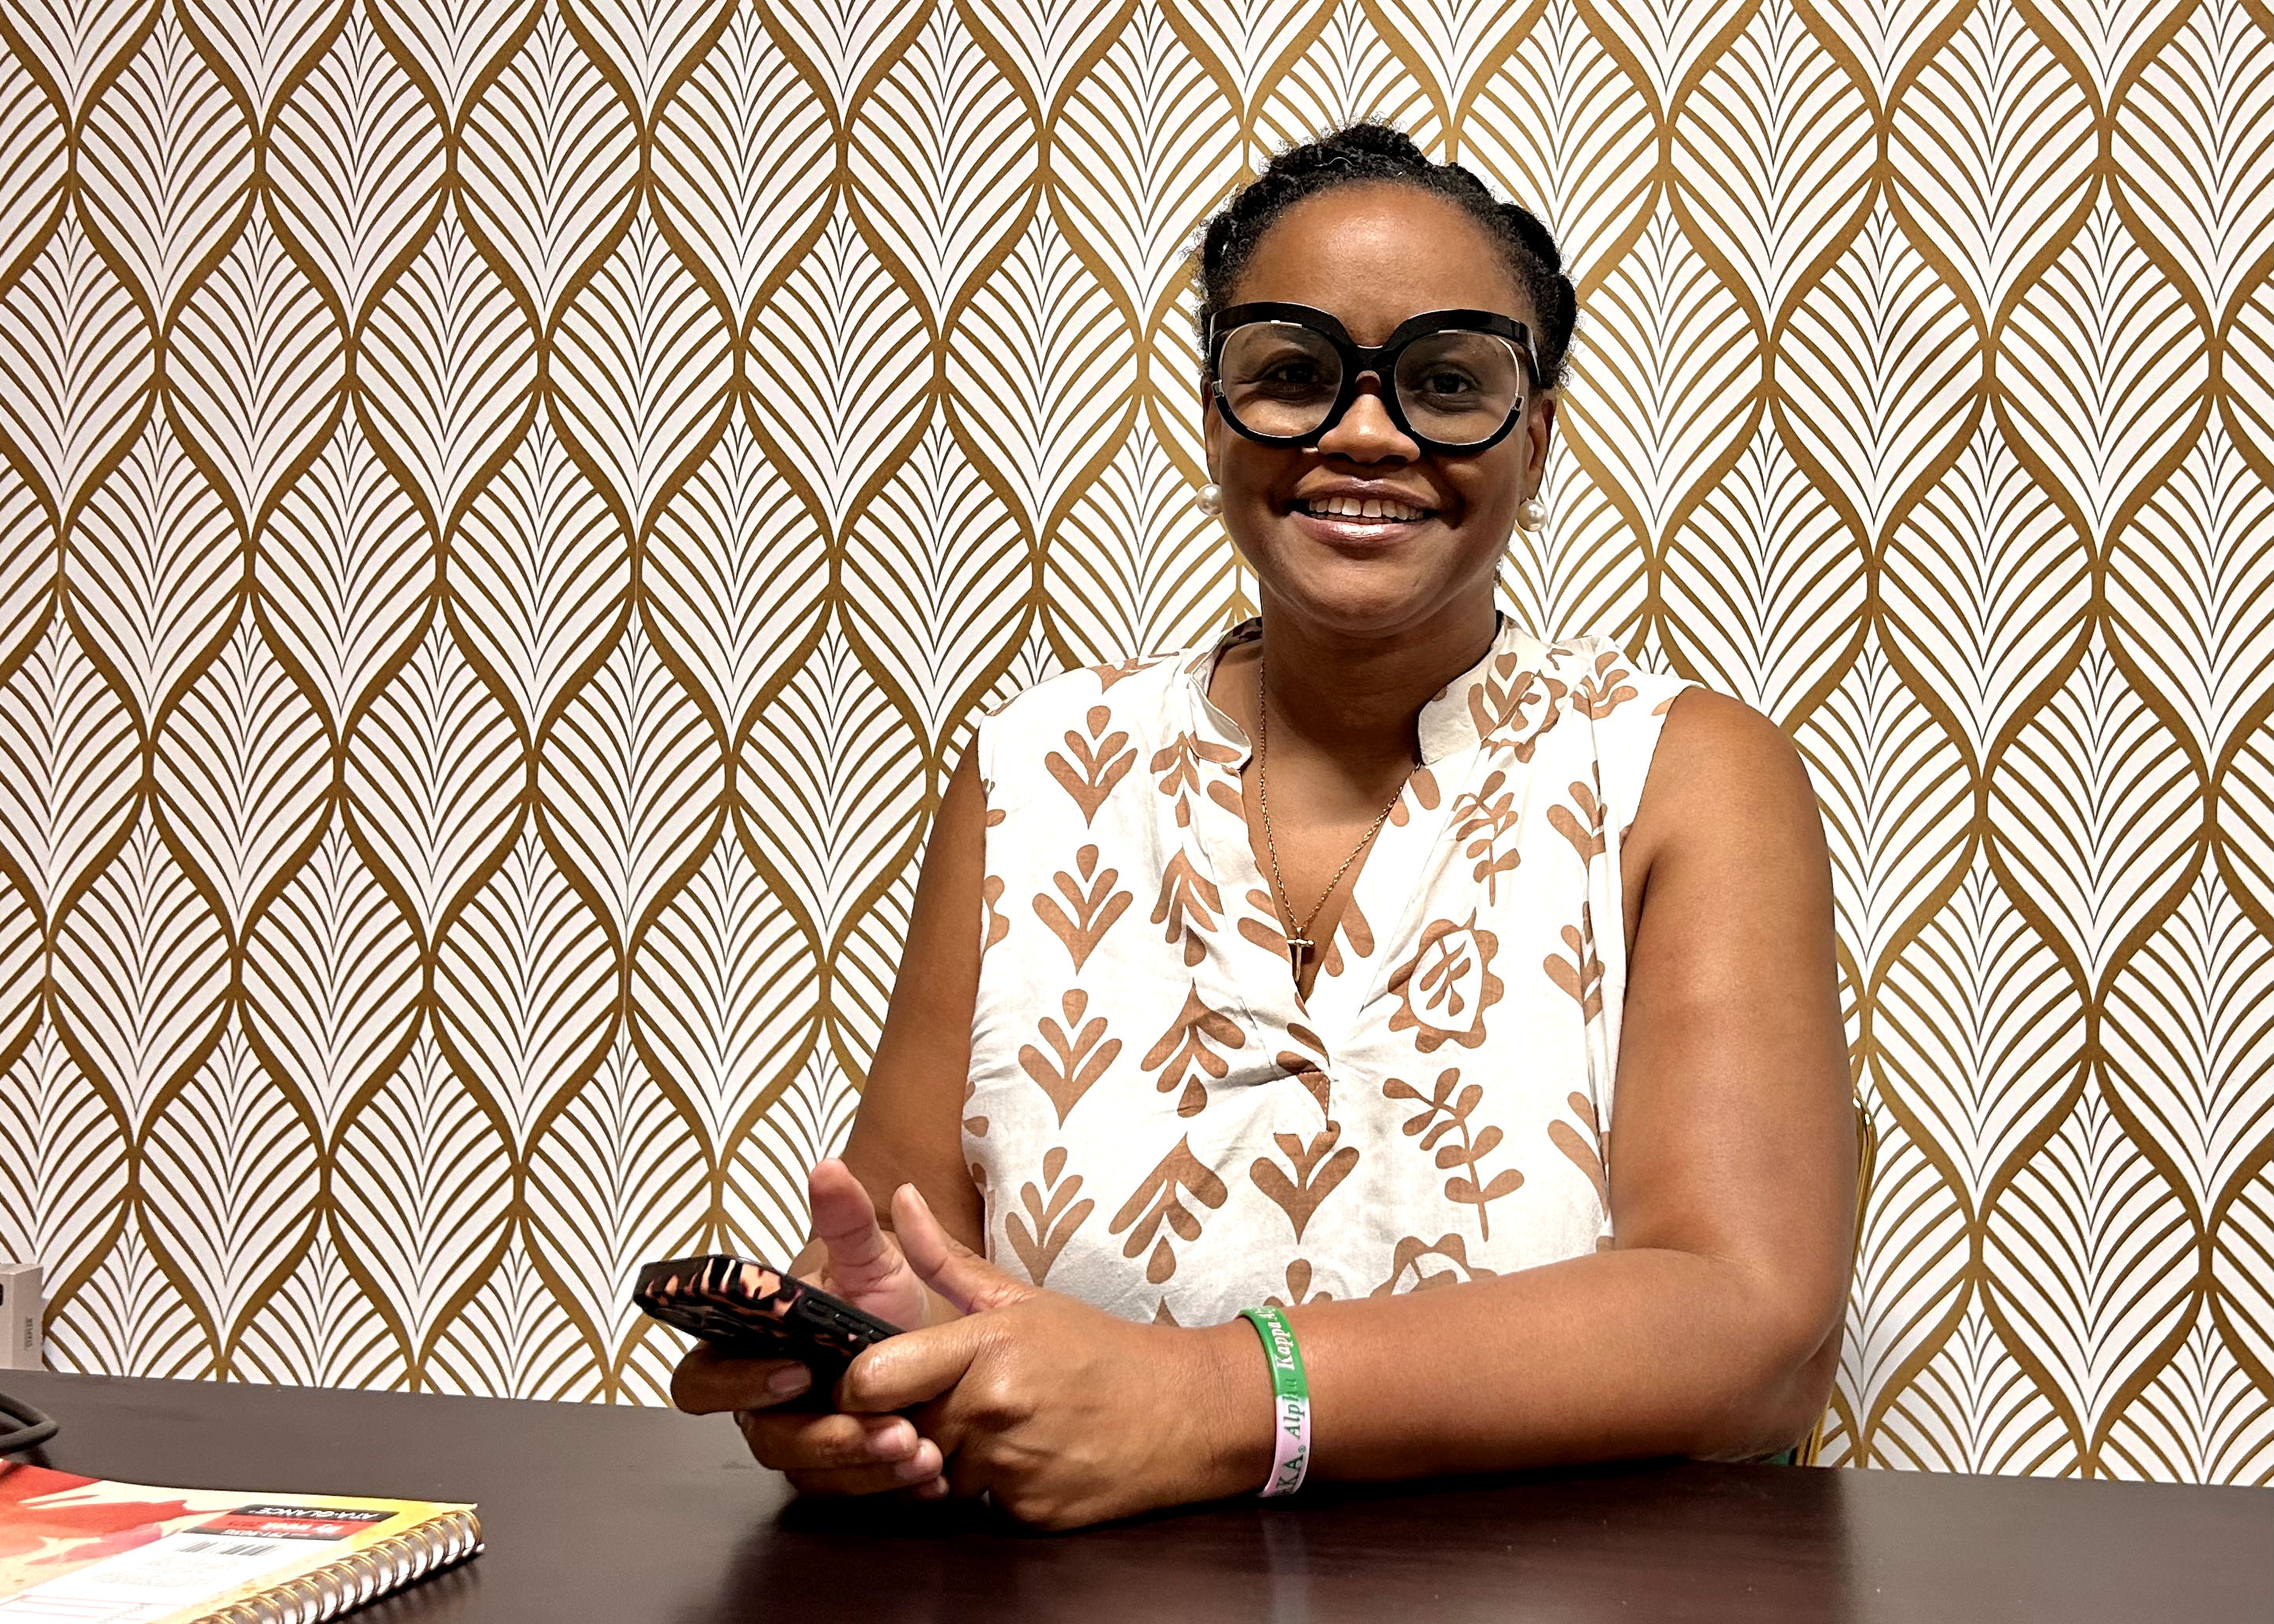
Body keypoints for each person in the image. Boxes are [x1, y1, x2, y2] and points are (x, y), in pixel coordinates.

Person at [672, 121, 1855, 1531]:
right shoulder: (1033, 771)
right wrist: (872, 1369)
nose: (1365, 430)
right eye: (1294, 373)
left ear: (1535, 435)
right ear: (1216, 410)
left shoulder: (1682, 773)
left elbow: (1747, 1327)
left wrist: (1218, 1401)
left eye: (1446, 380)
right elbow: (924, 1253)